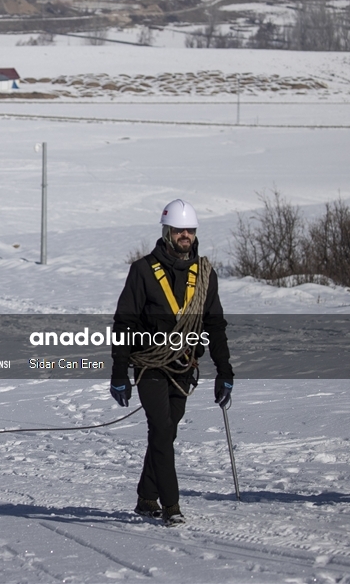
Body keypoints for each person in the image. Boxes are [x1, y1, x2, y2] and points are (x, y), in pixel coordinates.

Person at [110, 199, 234, 526]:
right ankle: (171, 505)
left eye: (190, 230)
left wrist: (225, 372)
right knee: (162, 431)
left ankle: (146, 496)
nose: (185, 235)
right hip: (151, 365)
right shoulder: (142, 271)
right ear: (167, 231)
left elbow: (215, 326)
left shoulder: (205, 274)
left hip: (184, 367)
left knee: (167, 433)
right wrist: (119, 372)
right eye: (179, 230)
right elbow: (124, 323)